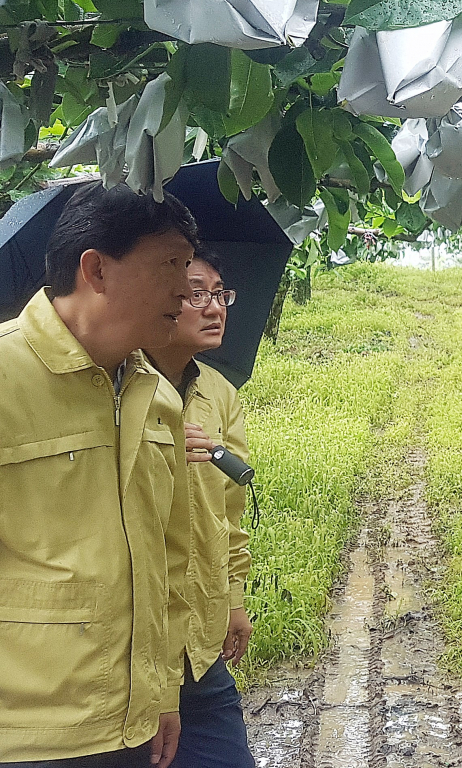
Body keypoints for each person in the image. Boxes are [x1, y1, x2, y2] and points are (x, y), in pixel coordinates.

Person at [0, 182, 198, 767]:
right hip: (24, 733)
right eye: (170, 263)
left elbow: (171, 557)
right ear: (96, 270)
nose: (188, 288)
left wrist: (162, 691)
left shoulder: (157, 394)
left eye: (189, 265)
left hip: (131, 727)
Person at [146, 248, 255, 768]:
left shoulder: (219, 392)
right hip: (138, 647)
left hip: (199, 646)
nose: (215, 308)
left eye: (220, 294)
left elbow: (227, 514)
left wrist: (232, 596)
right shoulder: (117, 386)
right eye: (196, 294)